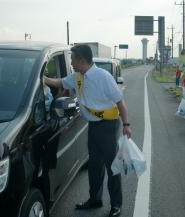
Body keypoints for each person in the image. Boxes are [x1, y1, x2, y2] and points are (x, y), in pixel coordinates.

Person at [44, 44, 131, 217]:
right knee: (94, 166)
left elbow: (120, 102)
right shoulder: (77, 76)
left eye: (72, 59)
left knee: (111, 166)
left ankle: (116, 205)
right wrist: (42, 78)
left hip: (108, 126)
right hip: (93, 126)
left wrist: (127, 125)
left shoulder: (103, 77)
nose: (71, 62)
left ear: (81, 60)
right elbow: (59, 82)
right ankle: (95, 199)